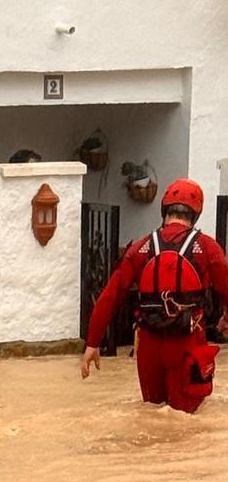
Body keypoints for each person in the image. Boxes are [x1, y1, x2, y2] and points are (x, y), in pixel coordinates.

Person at [81, 177, 228, 415]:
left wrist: (92, 343)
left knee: (152, 414)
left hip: (148, 347)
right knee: (184, 423)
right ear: (196, 214)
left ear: (164, 210)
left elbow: (110, 295)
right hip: (187, 343)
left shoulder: (140, 247)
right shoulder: (208, 248)